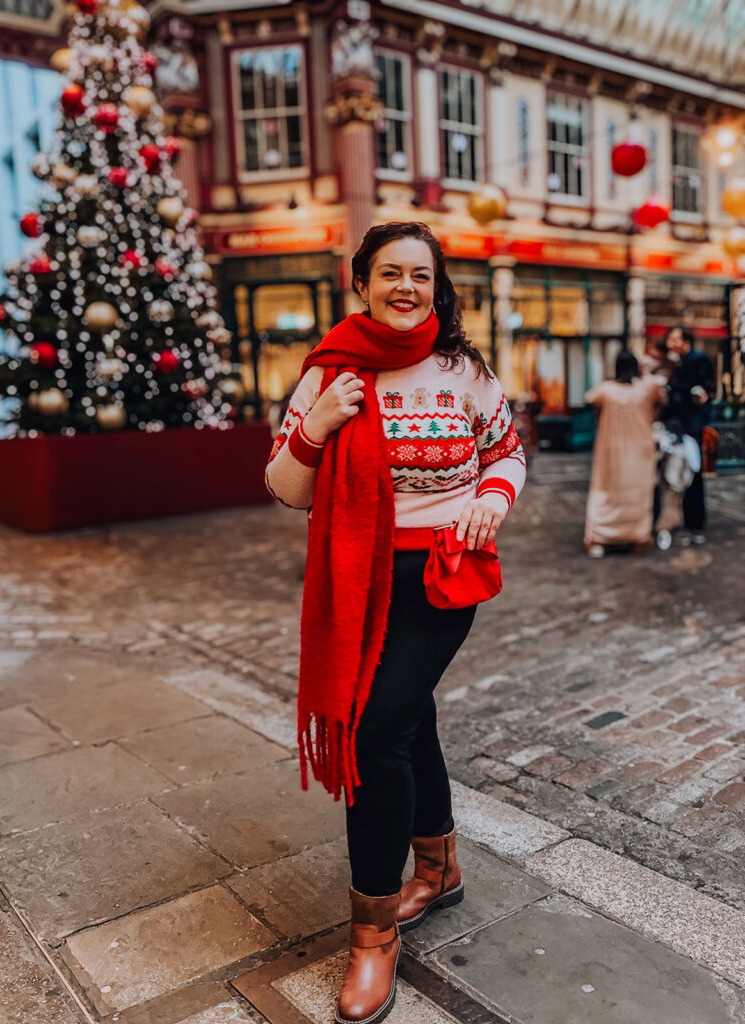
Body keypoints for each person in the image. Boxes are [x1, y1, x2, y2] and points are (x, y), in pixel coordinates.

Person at [265, 221, 525, 1024]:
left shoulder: (464, 371)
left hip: (442, 575)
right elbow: (285, 486)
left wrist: (489, 498)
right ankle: (439, 868)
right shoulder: (331, 373)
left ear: (437, 287)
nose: (407, 287)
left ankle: (373, 932)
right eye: (390, 274)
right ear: (363, 284)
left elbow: (506, 451)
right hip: (360, 575)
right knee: (408, 719)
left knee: (374, 733)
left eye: (421, 275)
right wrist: (319, 426)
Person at [584, 351, 666, 558]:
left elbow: (589, 398)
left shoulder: (606, 390)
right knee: (639, 493)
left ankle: (598, 539)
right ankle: (637, 538)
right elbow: (662, 395)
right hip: (640, 451)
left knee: (606, 492)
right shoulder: (647, 388)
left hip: (610, 451)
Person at [662, 325, 714, 543]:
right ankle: (688, 522)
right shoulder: (678, 362)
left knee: (692, 473)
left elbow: (701, 391)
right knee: (682, 473)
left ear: (685, 341)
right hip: (682, 426)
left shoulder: (695, 361)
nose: (670, 343)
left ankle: (695, 525)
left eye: (675, 338)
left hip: (692, 427)